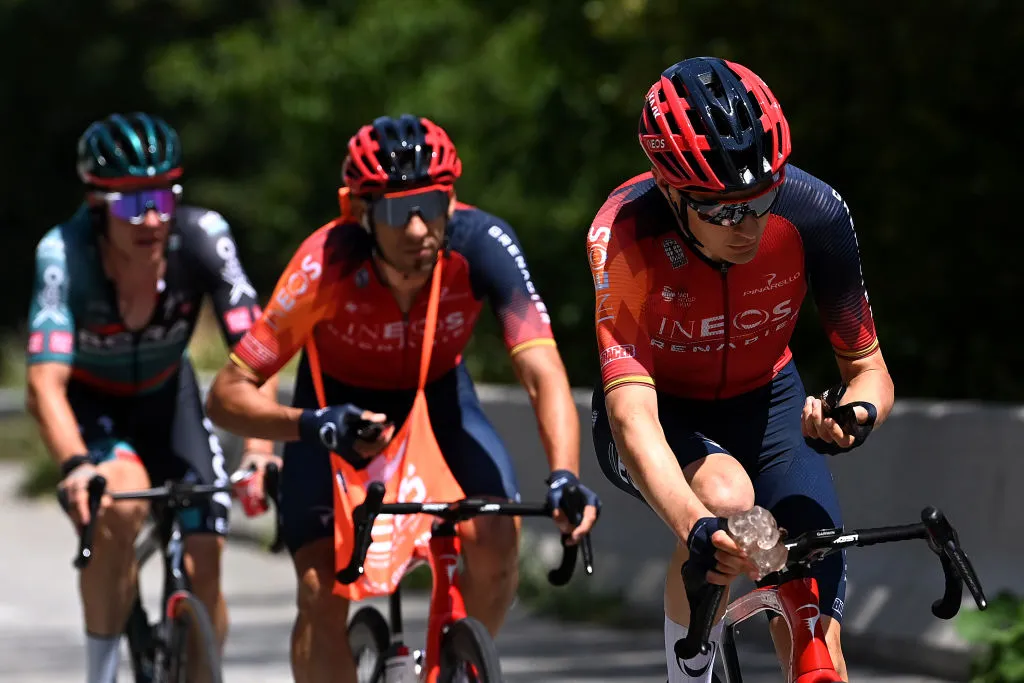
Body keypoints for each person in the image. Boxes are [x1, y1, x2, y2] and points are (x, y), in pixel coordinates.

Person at [205, 113, 601, 683]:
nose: (418, 228)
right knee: (321, 593)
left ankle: (463, 663)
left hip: (437, 398)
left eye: (432, 205)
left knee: (495, 539)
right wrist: (310, 424)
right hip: (333, 412)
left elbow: (543, 370)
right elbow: (227, 395)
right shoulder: (327, 261)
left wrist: (564, 474)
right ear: (362, 214)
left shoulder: (483, 244)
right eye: (395, 210)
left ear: (451, 200)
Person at [587, 57, 895, 683]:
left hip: (770, 405)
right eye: (724, 212)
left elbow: (868, 368)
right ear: (671, 191)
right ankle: (689, 672)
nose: (748, 226)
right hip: (663, 412)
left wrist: (855, 415)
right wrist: (695, 526)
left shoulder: (815, 214)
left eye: (762, 199)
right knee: (726, 497)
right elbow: (631, 412)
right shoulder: (626, 233)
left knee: (816, 632)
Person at [25, 112, 279, 683]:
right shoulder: (63, 256)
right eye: (127, 203)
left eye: (162, 198)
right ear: (97, 205)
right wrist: (73, 465)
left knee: (206, 556)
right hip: (96, 410)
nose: (148, 217)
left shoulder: (203, 236)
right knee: (117, 508)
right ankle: (102, 672)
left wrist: (261, 452)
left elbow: (254, 353)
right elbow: (45, 382)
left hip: (170, 400)